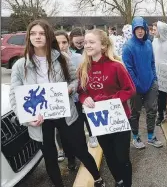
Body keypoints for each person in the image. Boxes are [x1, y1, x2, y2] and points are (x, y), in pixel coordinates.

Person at [9, 20, 105, 187]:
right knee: (50, 157)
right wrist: (25, 118)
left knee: (80, 149)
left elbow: (75, 81)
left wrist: (69, 90)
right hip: (39, 119)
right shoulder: (20, 65)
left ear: (48, 36)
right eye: (33, 33)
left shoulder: (62, 59)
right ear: (28, 37)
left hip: (65, 113)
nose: (37, 37)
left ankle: (97, 178)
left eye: (41, 33)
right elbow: (15, 96)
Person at [78, 29, 136, 187]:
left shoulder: (116, 66)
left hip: (119, 118)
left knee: (122, 157)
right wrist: (85, 98)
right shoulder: (83, 67)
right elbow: (81, 92)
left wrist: (110, 100)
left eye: (91, 42)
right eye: (85, 42)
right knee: (109, 155)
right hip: (99, 120)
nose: (87, 45)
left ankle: (127, 184)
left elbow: (129, 89)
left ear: (103, 45)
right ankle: (119, 181)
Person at [122, 17, 163, 149]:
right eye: (137, 29)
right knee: (135, 113)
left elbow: (152, 63)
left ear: (145, 29)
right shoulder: (128, 46)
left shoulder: (148, 44)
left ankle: (151, 136)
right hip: (135, 87)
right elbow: (129, 69)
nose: (140, 31)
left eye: (142, 29)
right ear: (133, 30)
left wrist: (155, 79)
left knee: (152, 110)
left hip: (150, 83)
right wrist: (136, 84)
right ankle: (135, 137)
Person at [54, 30, 83, 169]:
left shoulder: (78, 58)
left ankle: (84, 155)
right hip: (59, 104)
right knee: (63, 134)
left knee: (78, 131)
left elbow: (81, 78)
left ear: (68, 42)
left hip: (77, 100)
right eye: (57, 43)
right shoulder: (50, 60)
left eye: (64, 42)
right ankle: (70, 158)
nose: (61, 46)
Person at [68, 28, 99, 148]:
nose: (81, 45)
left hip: (87, 91)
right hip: (74, 94)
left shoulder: (87, 52)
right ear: (71, 41)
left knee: (88, 115)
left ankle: (92, 135)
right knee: (77, 120)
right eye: (78, 43)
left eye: (83, 42)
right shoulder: (70, 54)